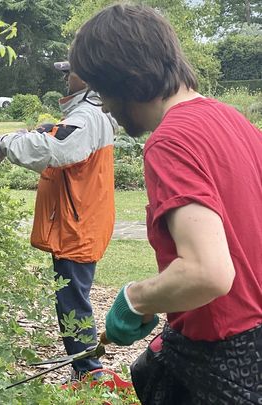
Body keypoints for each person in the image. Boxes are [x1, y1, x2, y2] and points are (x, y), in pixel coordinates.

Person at [69, 4, 262, 404]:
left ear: (125, 79)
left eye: (101, 90)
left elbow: (207, 272)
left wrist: (135, 298)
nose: (103, 105)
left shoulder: (170, 141)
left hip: (226, 356)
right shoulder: (234, 121)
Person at [0, 63, 118, 380]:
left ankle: (89, 372)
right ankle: (84, 365)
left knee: (73, 304)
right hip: (79, 220)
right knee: (73, 299)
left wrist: (7, 142)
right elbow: (63, 146)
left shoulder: (87, 116)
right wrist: (52, 129)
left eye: (69, 72)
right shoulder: (91, 112)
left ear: (85, 76)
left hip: (77, 224)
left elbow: (56, 151)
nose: (64, 78)